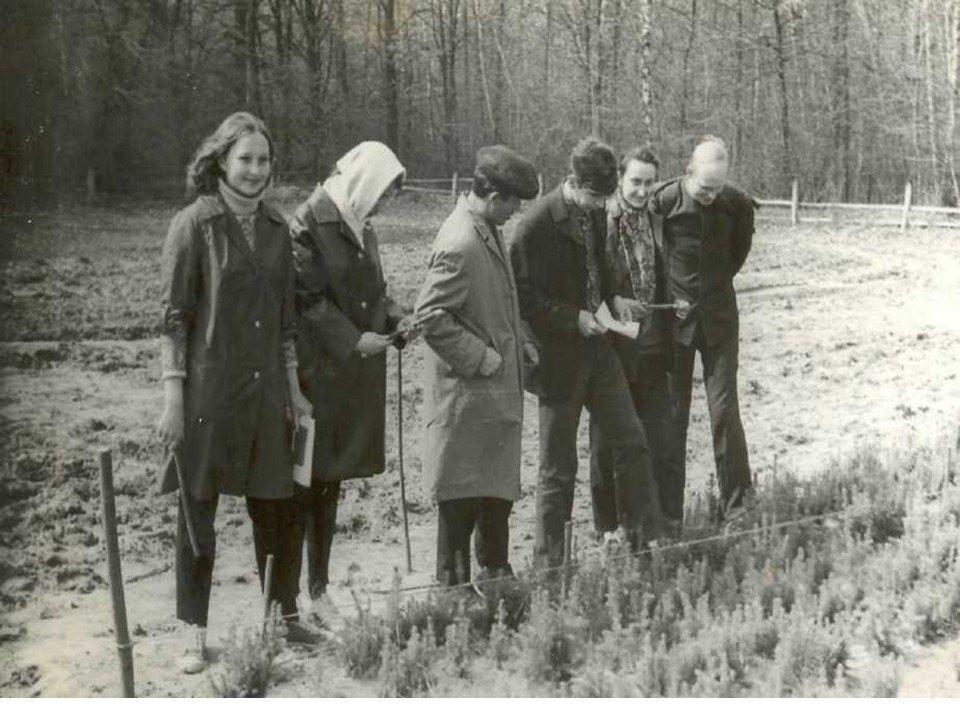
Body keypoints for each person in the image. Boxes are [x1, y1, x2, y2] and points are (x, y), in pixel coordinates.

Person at [157, 111, 316, 674]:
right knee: (197, 509)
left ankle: (279, 617)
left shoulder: (276, 228)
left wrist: (294, 392)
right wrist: (174, 399)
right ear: (221, 160)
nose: (254, 170)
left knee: (276, 505)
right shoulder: (193, 225)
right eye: (244, 159)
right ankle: (193, 631)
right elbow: (175, 320)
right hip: (208, 395)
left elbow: (287, 323)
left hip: (267, 392)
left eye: (263, 160)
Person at [508, 137, 663, 568]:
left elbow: (599, 269)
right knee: (557, 470)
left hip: (600, 351)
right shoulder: (536, 225)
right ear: (575, 183)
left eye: (605, 198)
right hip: (558, 361)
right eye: (596, 197)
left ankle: (644, 547)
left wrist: (614, 299)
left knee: (632, 442)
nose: (602, 206)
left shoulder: (594, 211)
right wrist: (571, 318)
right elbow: (523, 298)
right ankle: (549, 568)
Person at [290, 141, 414, 627]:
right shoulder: (308, 222)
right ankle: (289, 598)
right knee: (306, 483)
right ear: (364, 182)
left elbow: (374, 292)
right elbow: (308, 300)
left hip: (349, 376)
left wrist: (396, 318)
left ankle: (318, 588)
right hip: (315, 375)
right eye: (382, 194)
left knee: (329, 483)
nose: (383, 205)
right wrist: (353, 339)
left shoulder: (362, 224)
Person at [416, 145, 539, 587]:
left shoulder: (486, 228)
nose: (517, 211)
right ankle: (452, 592)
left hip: (491, 399)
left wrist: (521, 341)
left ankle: (495, 577)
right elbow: (430, 316)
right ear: (494, 197)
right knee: (461, 498)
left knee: (493, 491)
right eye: (514, 203)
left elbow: (496, 299)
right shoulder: (461, 241)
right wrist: (481, 357)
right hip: (468, 398)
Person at [647, 136, 756, 521]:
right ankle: (668, 515)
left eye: (716, 189)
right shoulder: (663, 201)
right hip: (675, 322)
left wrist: (712, 289)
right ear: (689, 171)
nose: (710, 197)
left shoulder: (737, 204)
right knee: (672, 415)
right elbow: (655, 255)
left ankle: (738, 508)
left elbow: (738, 254)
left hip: (720, 319)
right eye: (704, 189)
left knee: (725, 410)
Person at [590, 147, 684, 542]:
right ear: (620, 179)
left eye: (649, 183)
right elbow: (589, 280)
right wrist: (613, 300)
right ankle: (608, 526)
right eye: (635, 182)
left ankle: (655, 525)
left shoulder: (657, 221)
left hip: (653, 347)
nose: (643, 191)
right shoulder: (601, 220)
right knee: (607, 441)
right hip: (612, 347)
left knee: (659, 438)